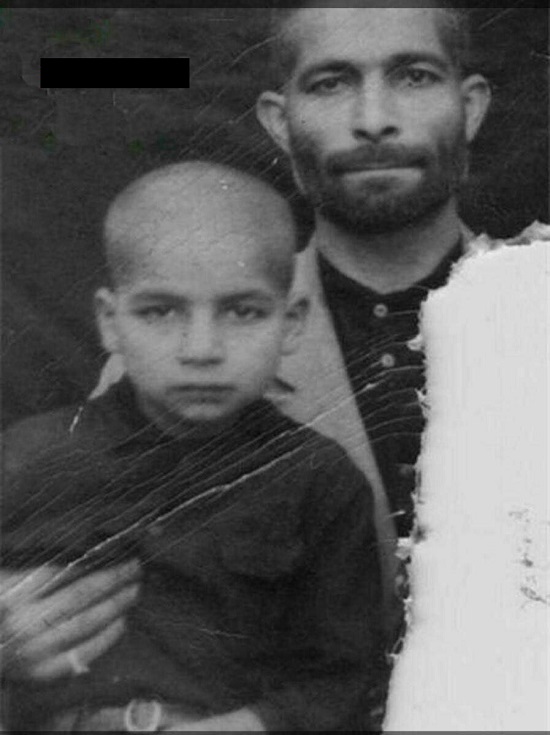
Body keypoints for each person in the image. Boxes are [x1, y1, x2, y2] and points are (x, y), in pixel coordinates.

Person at [1, 1, 493, 704]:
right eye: (330, 83)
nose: (374, 118)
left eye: (414, 76)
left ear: (470, 106)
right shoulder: (164, 362)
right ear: (278, 119)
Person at [1, 161, 386, 732]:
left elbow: (342, 679)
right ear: (110, 321)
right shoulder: (28, 458)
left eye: (242, 311)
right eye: (160, 311)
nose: (201, 349)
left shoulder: (318, 480)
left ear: (292, 322)